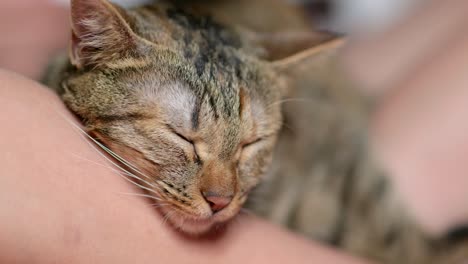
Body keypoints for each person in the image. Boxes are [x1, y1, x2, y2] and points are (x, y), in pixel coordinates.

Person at [1, 0, 467, 263]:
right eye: (185, 140)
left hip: (336, 95)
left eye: (249, 146)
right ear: (92, 55)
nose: (221, 192)